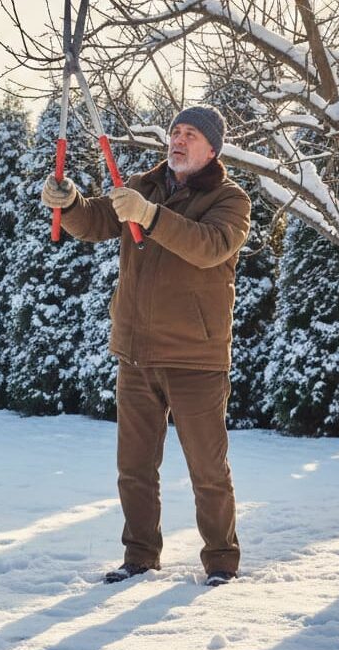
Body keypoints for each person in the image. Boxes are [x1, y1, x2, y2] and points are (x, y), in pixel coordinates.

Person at [42, 104, 251, 587]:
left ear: (213, 148)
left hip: (195, 358)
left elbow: (209, 247)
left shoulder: (229, 200)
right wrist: (69, 203)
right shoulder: (144, 185)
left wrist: (150, 216)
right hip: (135, 354)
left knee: (207, 470)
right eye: (176, 131)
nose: (178, 140)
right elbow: (96, 221)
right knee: (134, 468)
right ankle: (139, 556)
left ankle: (221, 562)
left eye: (191, 134)